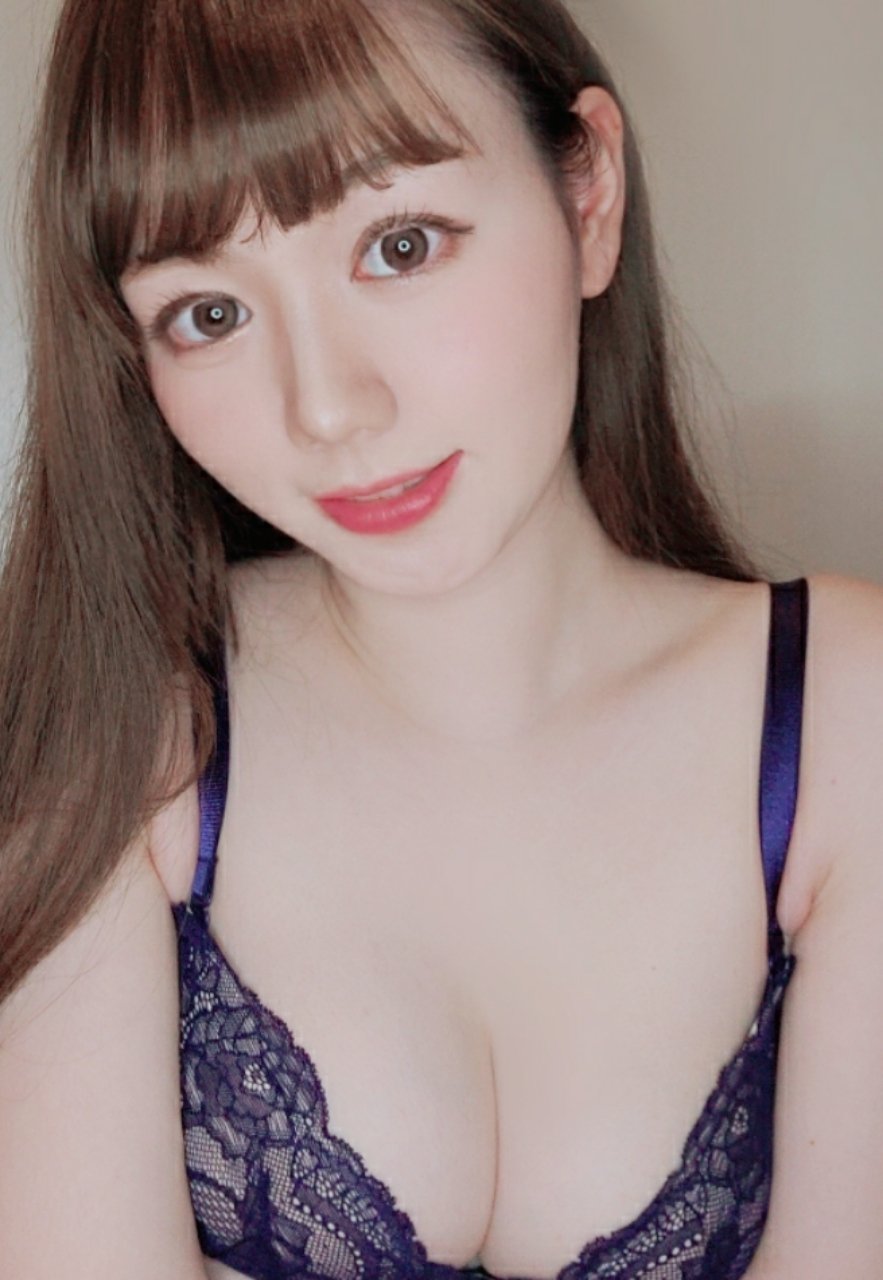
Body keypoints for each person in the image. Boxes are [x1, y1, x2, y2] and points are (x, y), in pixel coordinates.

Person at [0, 0, 881, 1277]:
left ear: (587, 195)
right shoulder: (115, 732)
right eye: (208, 313)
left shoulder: (842, 721)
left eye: (400, 244)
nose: (327, 406)